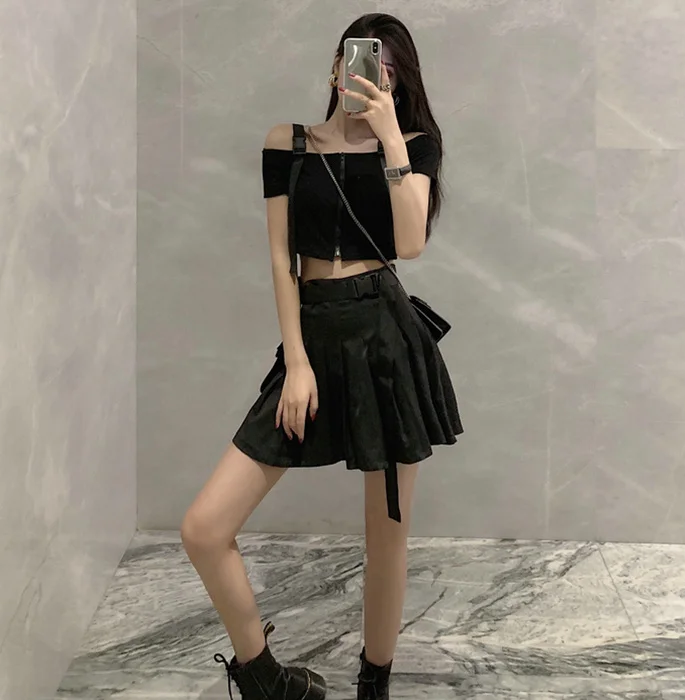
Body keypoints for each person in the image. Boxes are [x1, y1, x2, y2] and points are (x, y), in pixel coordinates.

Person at [180, 12, 463, 700]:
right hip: (313, 332)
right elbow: (282, 258)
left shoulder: (415, 146)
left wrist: (390, 136)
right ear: (335, 67)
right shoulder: (288, 143)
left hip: (386, 340)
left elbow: (410, 244)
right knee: (204, 528)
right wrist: (298, 362)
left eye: (387, 70)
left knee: (386, 533)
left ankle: (374, 683)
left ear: (400, 84)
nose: (369, 76)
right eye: (360, 60)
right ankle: (265, 680)